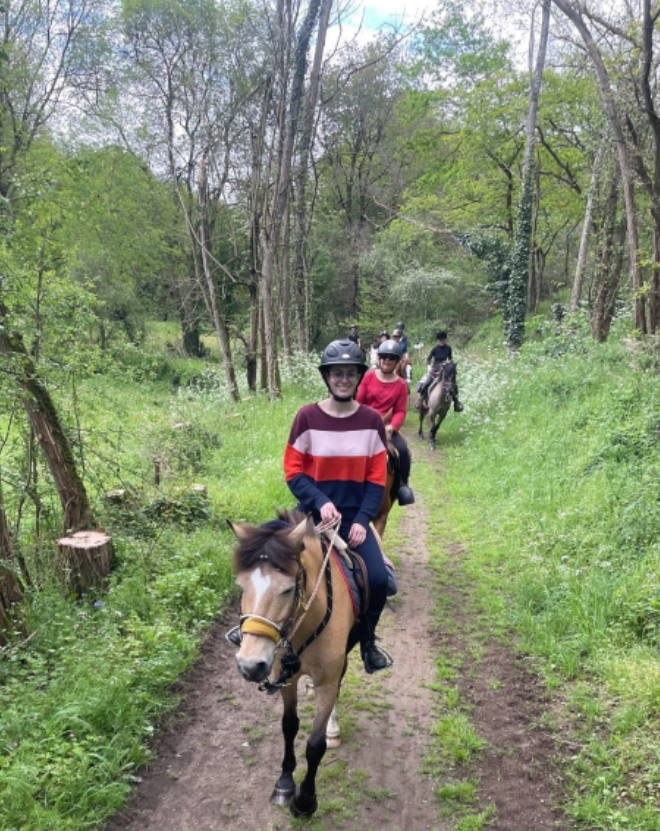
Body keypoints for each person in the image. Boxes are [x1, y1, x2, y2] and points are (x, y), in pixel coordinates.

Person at [283, 339, 391, 673]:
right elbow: (293, 471)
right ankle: (260, 636)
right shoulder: (307, 416)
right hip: (311, 518)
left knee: (377, 579)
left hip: (352, 522)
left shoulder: (372, 421)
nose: (343, 379)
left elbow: (376, 479)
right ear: (326, 377)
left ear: (359, 376)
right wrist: (320, 500)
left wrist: (363, 520)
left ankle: (368, 643)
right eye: (336, 373)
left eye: (349, 373)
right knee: (269, 566)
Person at [357, 339, 415, 506]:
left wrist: (392, 427)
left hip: (386, 428)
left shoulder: (401, 385)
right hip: (364, 424)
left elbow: (400, 411)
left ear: (397, 361)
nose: (387, 360)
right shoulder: (368, 377)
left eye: (391, 358)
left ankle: (403, 486)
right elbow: (359, 402)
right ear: (379, 358)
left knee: (403, 450)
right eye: (384, 357)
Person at [417, 330, 464, 411]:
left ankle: (456, 403)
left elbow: (450, 359)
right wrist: (429, 367)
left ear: (445, 340)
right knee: (426, 384)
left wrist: (451, 366)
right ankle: (421, 400)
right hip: (435, 370)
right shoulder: (435, 349)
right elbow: (428, 359)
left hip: (445, 371)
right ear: (438, 340)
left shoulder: (448, 348)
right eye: (440, 340)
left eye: (443, 340)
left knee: (454, 386)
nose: (442, 341)